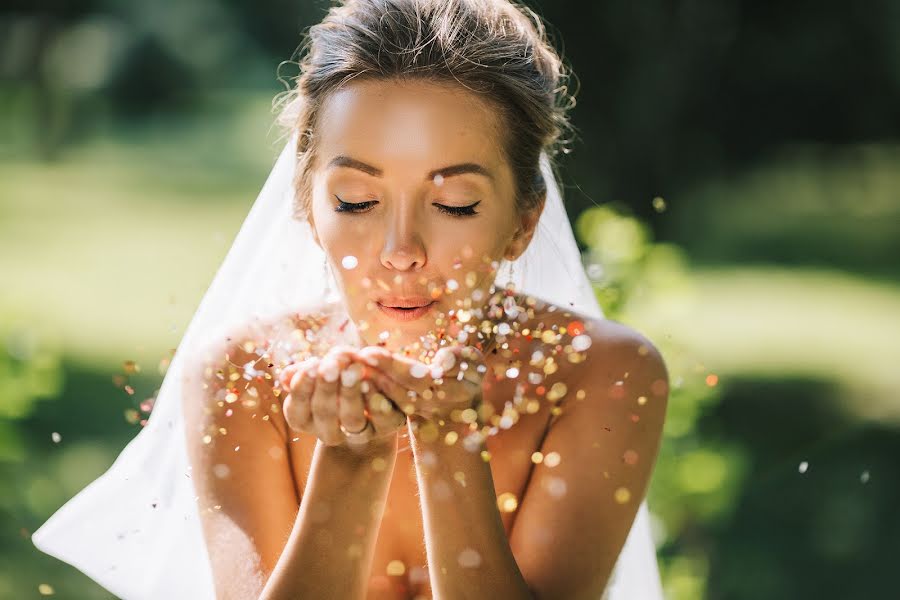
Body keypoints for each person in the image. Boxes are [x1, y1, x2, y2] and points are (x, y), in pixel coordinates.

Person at [32, 1, 669, 598]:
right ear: (308, 210)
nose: (400, 250)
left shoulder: (601, 373)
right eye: (357, 201)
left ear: (523, 222)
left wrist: (449, 440)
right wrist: (351, 461)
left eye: (455, 205)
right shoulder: (244, 375)